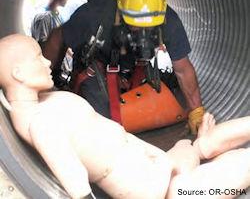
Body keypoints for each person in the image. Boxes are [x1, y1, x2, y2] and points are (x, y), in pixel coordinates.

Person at [0, 34, 250, 199]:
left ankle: (206, 146)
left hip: (162, 164)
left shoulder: (46, 101)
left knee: (194, 145)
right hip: (166, 191)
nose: (47, 61)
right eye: (37, 57)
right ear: (18, 73)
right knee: (238, 166)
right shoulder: (39, 121)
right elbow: (72, 174)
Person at [42, 0, 203, 134]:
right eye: (136, 25)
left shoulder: (168, 19)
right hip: (96, 68)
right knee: (101, 128)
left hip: (133, 68)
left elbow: (183, 69)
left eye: (150, 27)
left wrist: (196, 111)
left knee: (158, 113)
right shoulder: (95, 13)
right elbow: (58, 37)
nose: (143, 32)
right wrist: (47, 80)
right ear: (121, 7)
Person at [31, 0, 73, 87]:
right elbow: (42, 46)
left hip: (57, 70)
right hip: (49, 72)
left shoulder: (57, 16)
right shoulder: (44, 17)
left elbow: (61, 42)